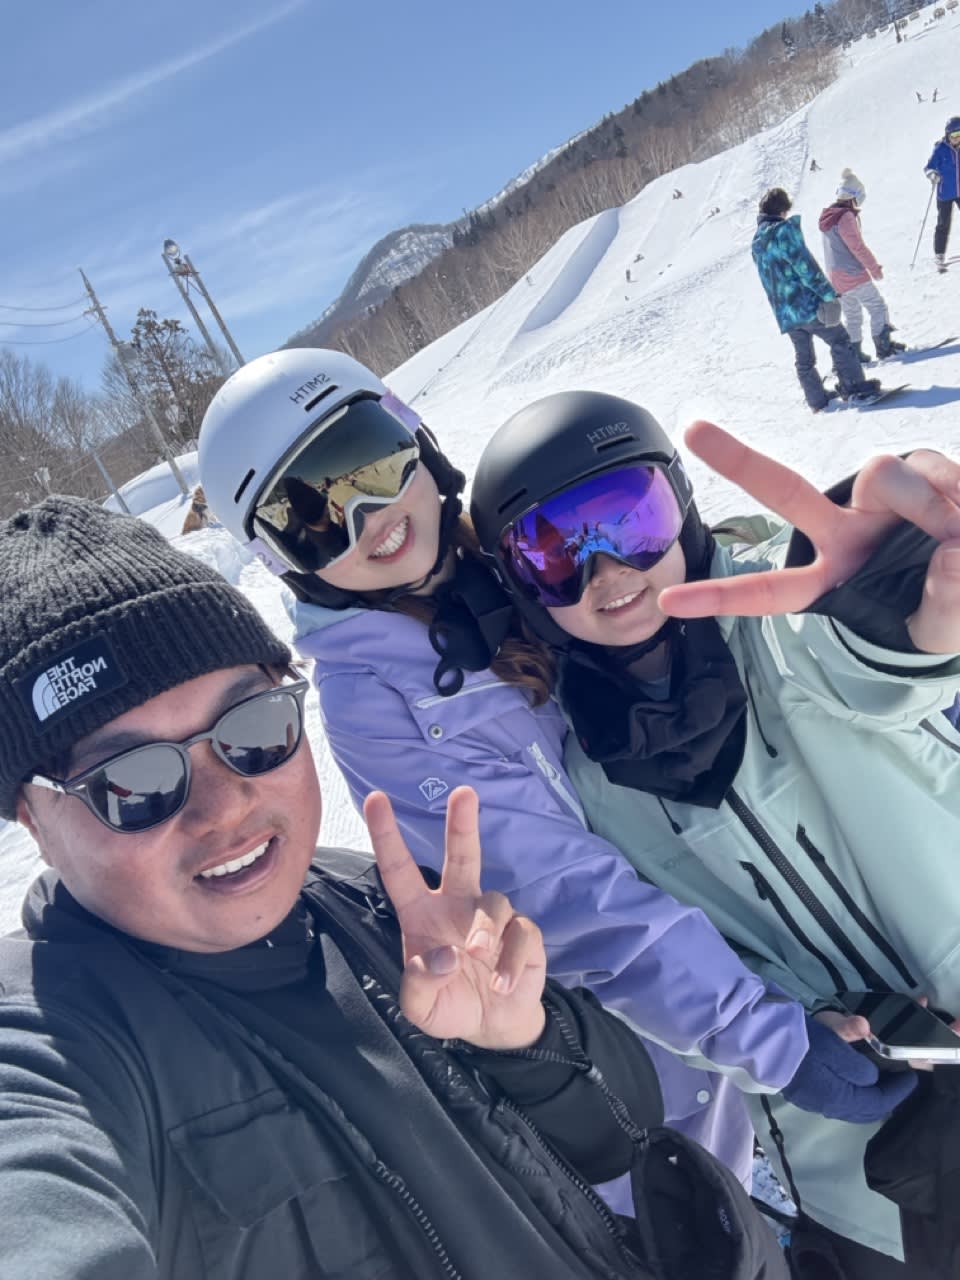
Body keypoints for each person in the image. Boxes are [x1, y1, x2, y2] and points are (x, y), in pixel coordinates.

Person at [0, 494, 795, 1280]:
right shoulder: (51, 1054)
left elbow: (619, 1141)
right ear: (32, 818)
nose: (226, 807)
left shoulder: (372, 902)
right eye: (133, 782)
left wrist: (530, 1043)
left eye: (254, 729)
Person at [198, 348, 913, 1197]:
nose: (368, 517)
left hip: (764, 936)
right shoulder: (377, 700)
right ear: (282, 560)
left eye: (369, 462)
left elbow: (691, 579)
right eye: (312, 519)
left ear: (416, 440)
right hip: (647, 1054)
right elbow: (568, 898)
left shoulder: (511, 555)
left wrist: (886, 608)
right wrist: (762, 1034)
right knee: (713, 1211)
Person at [469, 389, 960, 1277]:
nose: (606, 572)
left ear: (685, 506)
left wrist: (900, 582)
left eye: (631, 519)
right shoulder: (581, 775)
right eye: (554, 554)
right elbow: (651, 956)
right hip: (864, 1178)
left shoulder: (793, 621)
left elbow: (879, 666)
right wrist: (786, 1020)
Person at [751, 187, 880, 412]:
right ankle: (854, 387)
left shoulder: (757, 242)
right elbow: (805, 267)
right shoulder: (782, 231)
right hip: (807, 305)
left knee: (804, 357)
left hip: (786, 312)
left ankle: (817, 399)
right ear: (781, 210)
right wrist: (828, 293)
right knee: (840, 339)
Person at [818, 170, 906, 362]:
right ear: (854, 195)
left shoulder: (829, 216)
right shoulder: (845, 217)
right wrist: (874, 268)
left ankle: (854, 353)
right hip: (852, 273)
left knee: (852, 314)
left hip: (835, 277)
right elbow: (857, 247)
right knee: (877, 306)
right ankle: (884, 346)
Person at [924, 115, 960, 269]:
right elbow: (929, 167)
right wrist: (933, 175)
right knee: (943, 223)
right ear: (947, 135)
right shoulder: (940, 149)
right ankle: (939, 253)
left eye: (959, 134)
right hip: (944, 193)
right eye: (954, 135)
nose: (957, 138)